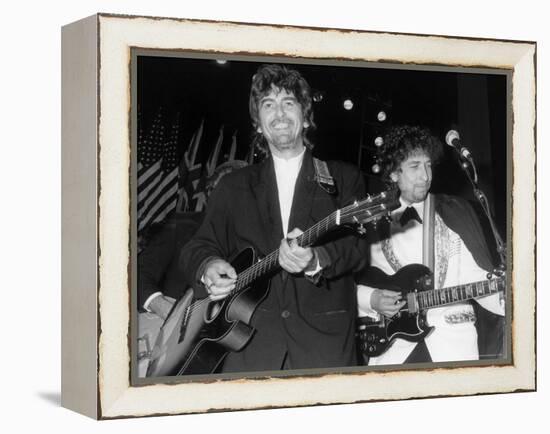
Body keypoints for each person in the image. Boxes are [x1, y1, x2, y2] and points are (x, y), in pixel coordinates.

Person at [179, 64, 368, 373]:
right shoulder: (233, 185)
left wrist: (315, 260)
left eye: (288, 103)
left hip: (324, 350)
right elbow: (196, 247)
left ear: (306, 117)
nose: (279, 113)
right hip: (247, 351)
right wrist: (208, 267)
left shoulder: (343, 178)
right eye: (268, 105)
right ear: (258, 124)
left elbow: (358, 250)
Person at [357, 125, 505, 365]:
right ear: (394, 173)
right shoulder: (370, 223)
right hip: (395, 350)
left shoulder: (456, 212)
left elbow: (474, 276)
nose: (425, 176)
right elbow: (344, 285)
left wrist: (508, 295)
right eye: (415, 167)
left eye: (428, 165)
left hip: (452, 345)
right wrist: (371, 298)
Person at [137, 160, 247, 376]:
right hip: (158, 338)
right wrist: (164, 309)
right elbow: (137, 274)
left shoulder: (255, 245)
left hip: (215, 358)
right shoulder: (182, 225)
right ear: (209, 193)